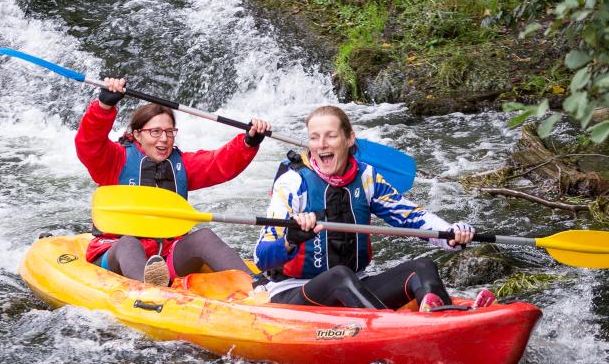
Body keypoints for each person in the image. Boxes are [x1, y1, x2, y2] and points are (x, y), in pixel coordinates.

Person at [254, 105, 495, 312]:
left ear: (349, 139)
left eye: (331, 136)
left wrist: (450, 233)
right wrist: (290, 240)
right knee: (339, 275)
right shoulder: (293, 183)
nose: (321, 144)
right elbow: (261, 257)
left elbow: (410, 217)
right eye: (314, 137)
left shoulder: (366, 177)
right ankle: (393, 330)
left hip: (355, 286)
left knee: (423, 267)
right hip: (294, 292)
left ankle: (445, 319)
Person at [75, 77, 270, 286]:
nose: (164, 139)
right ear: (137, 135)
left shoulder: (181, 165)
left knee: (203, 236)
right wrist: (105, 106)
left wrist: (248, 142)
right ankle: (151, 292)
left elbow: (219, 164)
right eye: (155, 132)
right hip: (116, 254)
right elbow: (89, 144)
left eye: (169, 132)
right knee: (129, 244)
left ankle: (256, 287)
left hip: (165, 254)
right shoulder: (115, 160)